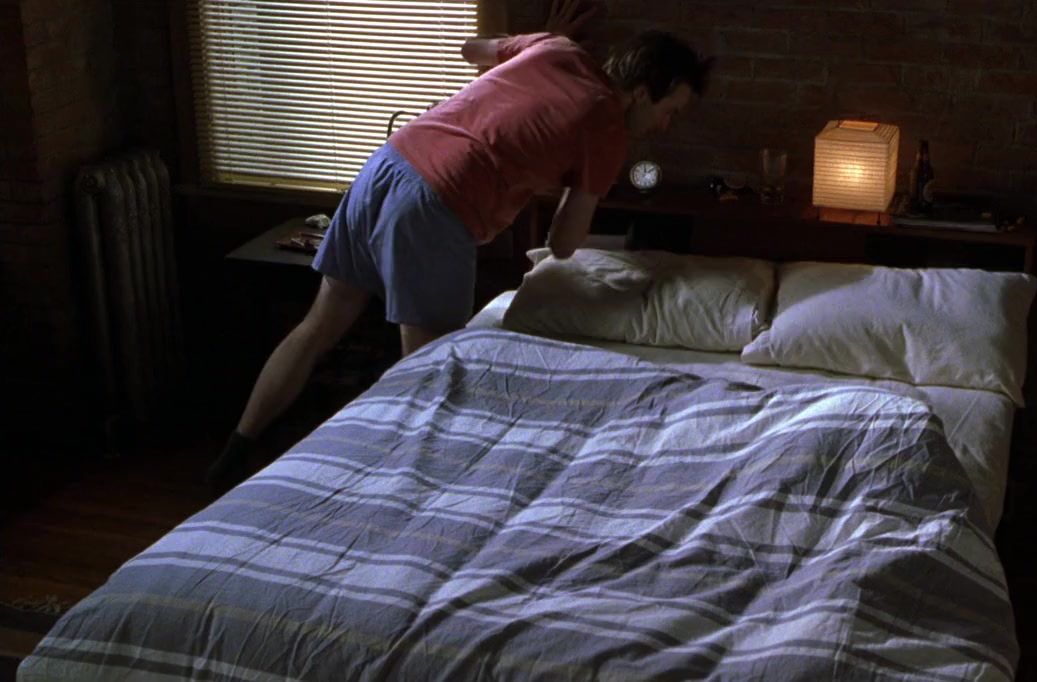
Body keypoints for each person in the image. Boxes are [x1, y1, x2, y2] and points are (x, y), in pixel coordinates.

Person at [205, 0, 714, 491]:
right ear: (642, 92)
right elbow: (562, 244)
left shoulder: (556, 47)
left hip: (388, 165)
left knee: (318, 326)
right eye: (670, 110)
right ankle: (398, 484)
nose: (665, 126)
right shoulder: (607, 130)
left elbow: (472, 49)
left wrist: (539, 55)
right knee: (427, 369)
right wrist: (577, 183)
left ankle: (233, 453)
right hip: (437, 200)